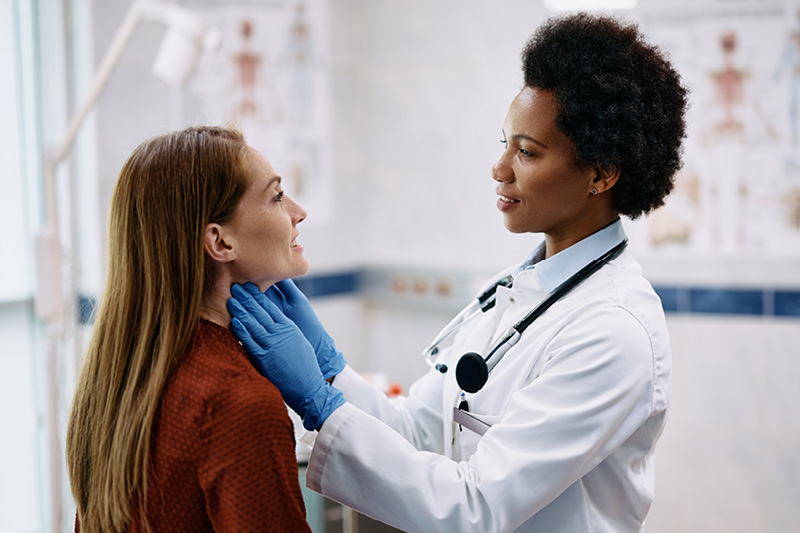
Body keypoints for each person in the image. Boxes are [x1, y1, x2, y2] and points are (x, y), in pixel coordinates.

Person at [228, 12, 687, 532]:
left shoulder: (614, 331)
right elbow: (417, 432)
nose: (500, 168)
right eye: (504, 143)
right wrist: (329, 370)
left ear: (601, 174)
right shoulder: (515, 293)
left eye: (526, 152)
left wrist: (320, 404)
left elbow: (476, 508)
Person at [66, 126, 312, 532]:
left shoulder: (117, 382)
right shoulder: (239, 402)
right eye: (277, 196)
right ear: (220, 242)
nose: (298, 212)